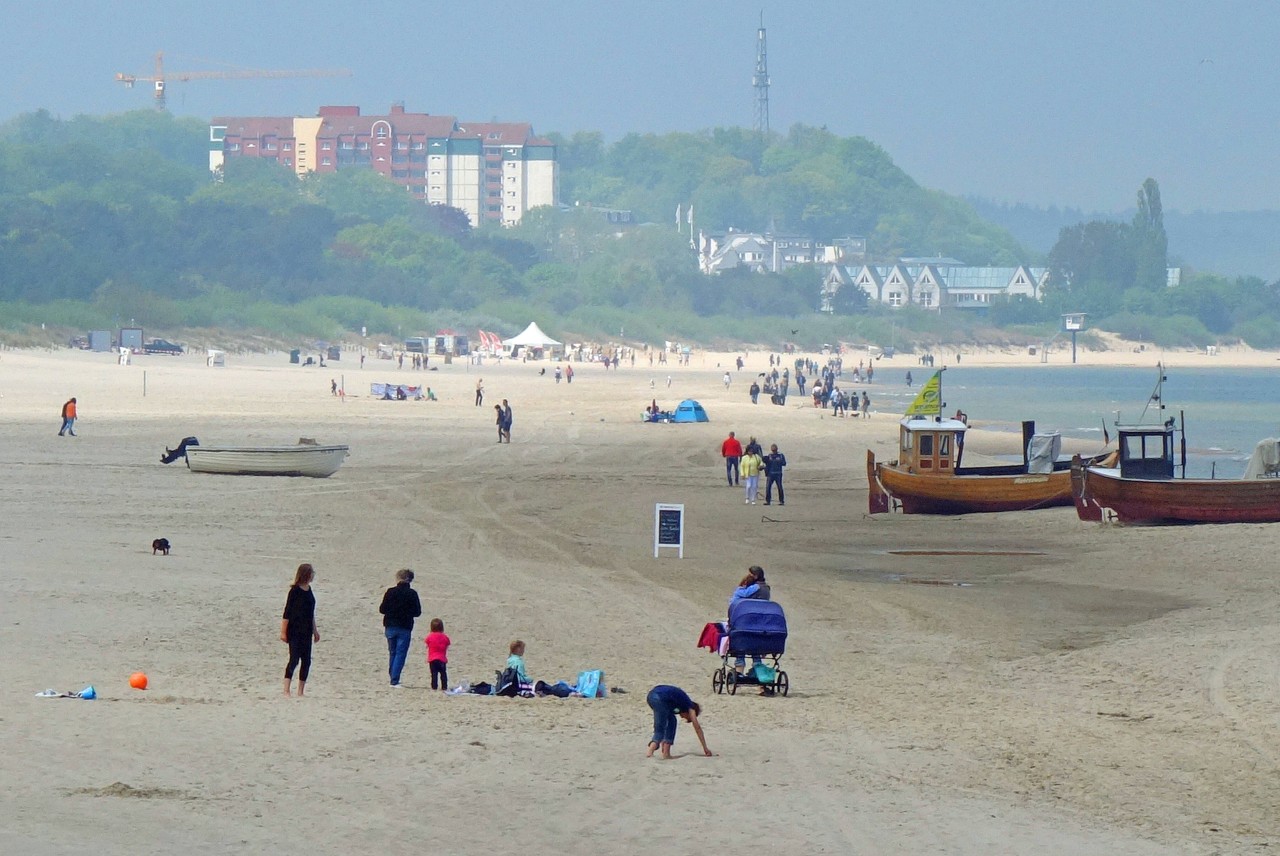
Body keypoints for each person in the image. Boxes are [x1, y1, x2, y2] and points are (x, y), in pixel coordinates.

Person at [280, 563, 320, 697]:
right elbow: (287, 612)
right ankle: (286, 689)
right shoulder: (294, 591)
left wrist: (315, 631)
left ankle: (300, 691)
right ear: (306, 574)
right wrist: (283, 631)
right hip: (294, 631)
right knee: (294, 659)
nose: (313, 575)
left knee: (307, 661)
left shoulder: (309, 590)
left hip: (307, 631)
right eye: (311, 573)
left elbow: (311, 613)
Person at [379, 569, 422, 688]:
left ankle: (393, 676)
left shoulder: (390, 592)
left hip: (390, 625)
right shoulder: (412, 593)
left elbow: (382, 609)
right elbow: (417, 612)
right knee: (400, 653)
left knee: (392, 652)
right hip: (404, 626)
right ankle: (394, 679)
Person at [645, 685, 712, 759]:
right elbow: (697, 727)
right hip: (660, 698)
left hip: (651, 696)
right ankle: (650, 752)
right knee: (660, 728)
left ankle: (666, 752)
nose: (683, 717)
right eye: (687, 718)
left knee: (672, 720)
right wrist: (705, 748)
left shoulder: (680, 703)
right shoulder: (690, 706)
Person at [425, 618, 451, 692]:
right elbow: (448, 643)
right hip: (442, 658)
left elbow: (427, 643)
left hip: (432, 658)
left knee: (434, 674)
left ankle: (434, 686)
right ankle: (444, 686)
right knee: (443, 674)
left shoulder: (430, 636)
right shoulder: (445, 637)